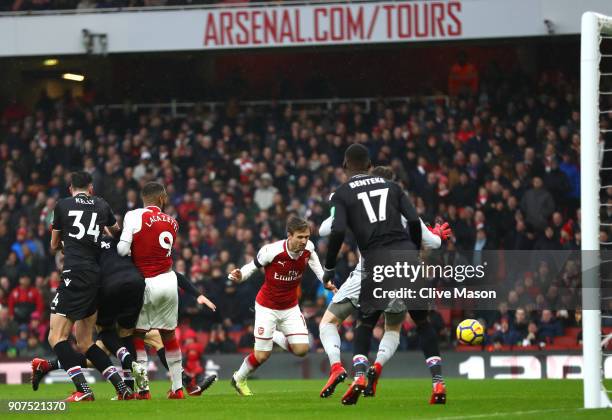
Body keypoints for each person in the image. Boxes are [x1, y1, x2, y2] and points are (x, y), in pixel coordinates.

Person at [322, 144, 445, 405]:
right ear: (369, 165)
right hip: (407, 261)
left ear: (345, 166)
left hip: (375, 265)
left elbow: (334, 229)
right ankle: (438, 383)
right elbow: (417, 226)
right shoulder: (394, 189)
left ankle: (358, 376)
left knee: (365, 324)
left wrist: (330, 267)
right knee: (421, 324)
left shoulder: (343, 194)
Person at [46, 171, 133, 401]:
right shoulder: (102, 205)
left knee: (56, 338)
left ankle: (83, 390)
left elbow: (54, 244)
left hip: (74, 274)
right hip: (96, 277)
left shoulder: (62, 206)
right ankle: (122, 388)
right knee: (85, 342)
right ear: (91, 188)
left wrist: (68, 243)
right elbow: (116, 234)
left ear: (70, 188)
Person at [227, 216, 335, 396]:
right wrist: (241, 276)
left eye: (307, 237)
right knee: (262, 356)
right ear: (289, 236)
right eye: (300, 237)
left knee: (302, 350)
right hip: (266, 307)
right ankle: (238, 379)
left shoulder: (308, 249)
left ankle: (275, 336)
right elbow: (252, 267)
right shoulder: (272, 251)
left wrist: (325, 281)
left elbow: (315, 262)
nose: (304, 241)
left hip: (290, 307)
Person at [117, 181, 185, 399]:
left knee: (138, 333)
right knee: (169, 334)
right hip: (169, 280)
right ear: (162, 199)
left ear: (142, 199)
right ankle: (178, 389)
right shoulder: (173, 222)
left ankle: (143, 390)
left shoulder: (134, 216)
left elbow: (122, 249)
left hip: (146, 282)